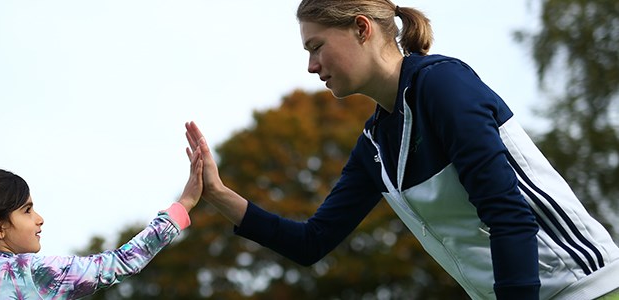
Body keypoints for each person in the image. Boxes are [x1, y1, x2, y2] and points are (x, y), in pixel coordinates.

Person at [183, 0, 619, 299]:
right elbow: (310, 243)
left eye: (316, 47)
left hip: (592, 289)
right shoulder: (375, 146)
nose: (311, 66)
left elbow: (508, 213)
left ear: (360, 28)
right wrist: (219, 194)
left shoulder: (442, 84)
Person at [0, 147, 203, 299]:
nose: (40, 219)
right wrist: (183, 206)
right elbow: (118, 263)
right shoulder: (28, 273)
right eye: (27, 210)